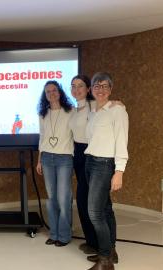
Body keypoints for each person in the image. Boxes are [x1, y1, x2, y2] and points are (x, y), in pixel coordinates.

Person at [84, 72, 128, 270]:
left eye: (104, 86)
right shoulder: (93, 111)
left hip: (104, 164)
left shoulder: (117, 111)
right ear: (91, 90)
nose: (100, 89)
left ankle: (105, 261)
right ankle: (110, 251)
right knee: (105, 209)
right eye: (96, 86)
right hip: (90, 162)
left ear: (110, 89)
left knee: (94, 213)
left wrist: (119, 171)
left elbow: (121, 141)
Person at [36, 81, 74, 247]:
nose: (51, 93)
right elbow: (42, 137)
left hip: (64, 158)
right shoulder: (43, 114)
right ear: (45, 95)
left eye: (54, 90)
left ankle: (64, 236)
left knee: (63, 198)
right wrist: (39, 160)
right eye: (48, 92)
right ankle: (54, 233)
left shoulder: (70, 111)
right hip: (46, 158)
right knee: (52, 198)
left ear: (60, 92)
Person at [69, 75, 99, 254]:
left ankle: (99, 243)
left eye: (80, 86)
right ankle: (91, 241)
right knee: (81, 200)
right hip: (77, 154)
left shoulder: (95, 106)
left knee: (90, 200)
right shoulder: (73, 110)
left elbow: (112, 107)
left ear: (88, 89)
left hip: (92, 154)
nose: (76, 89)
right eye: (73, 86)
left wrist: (118, 103)